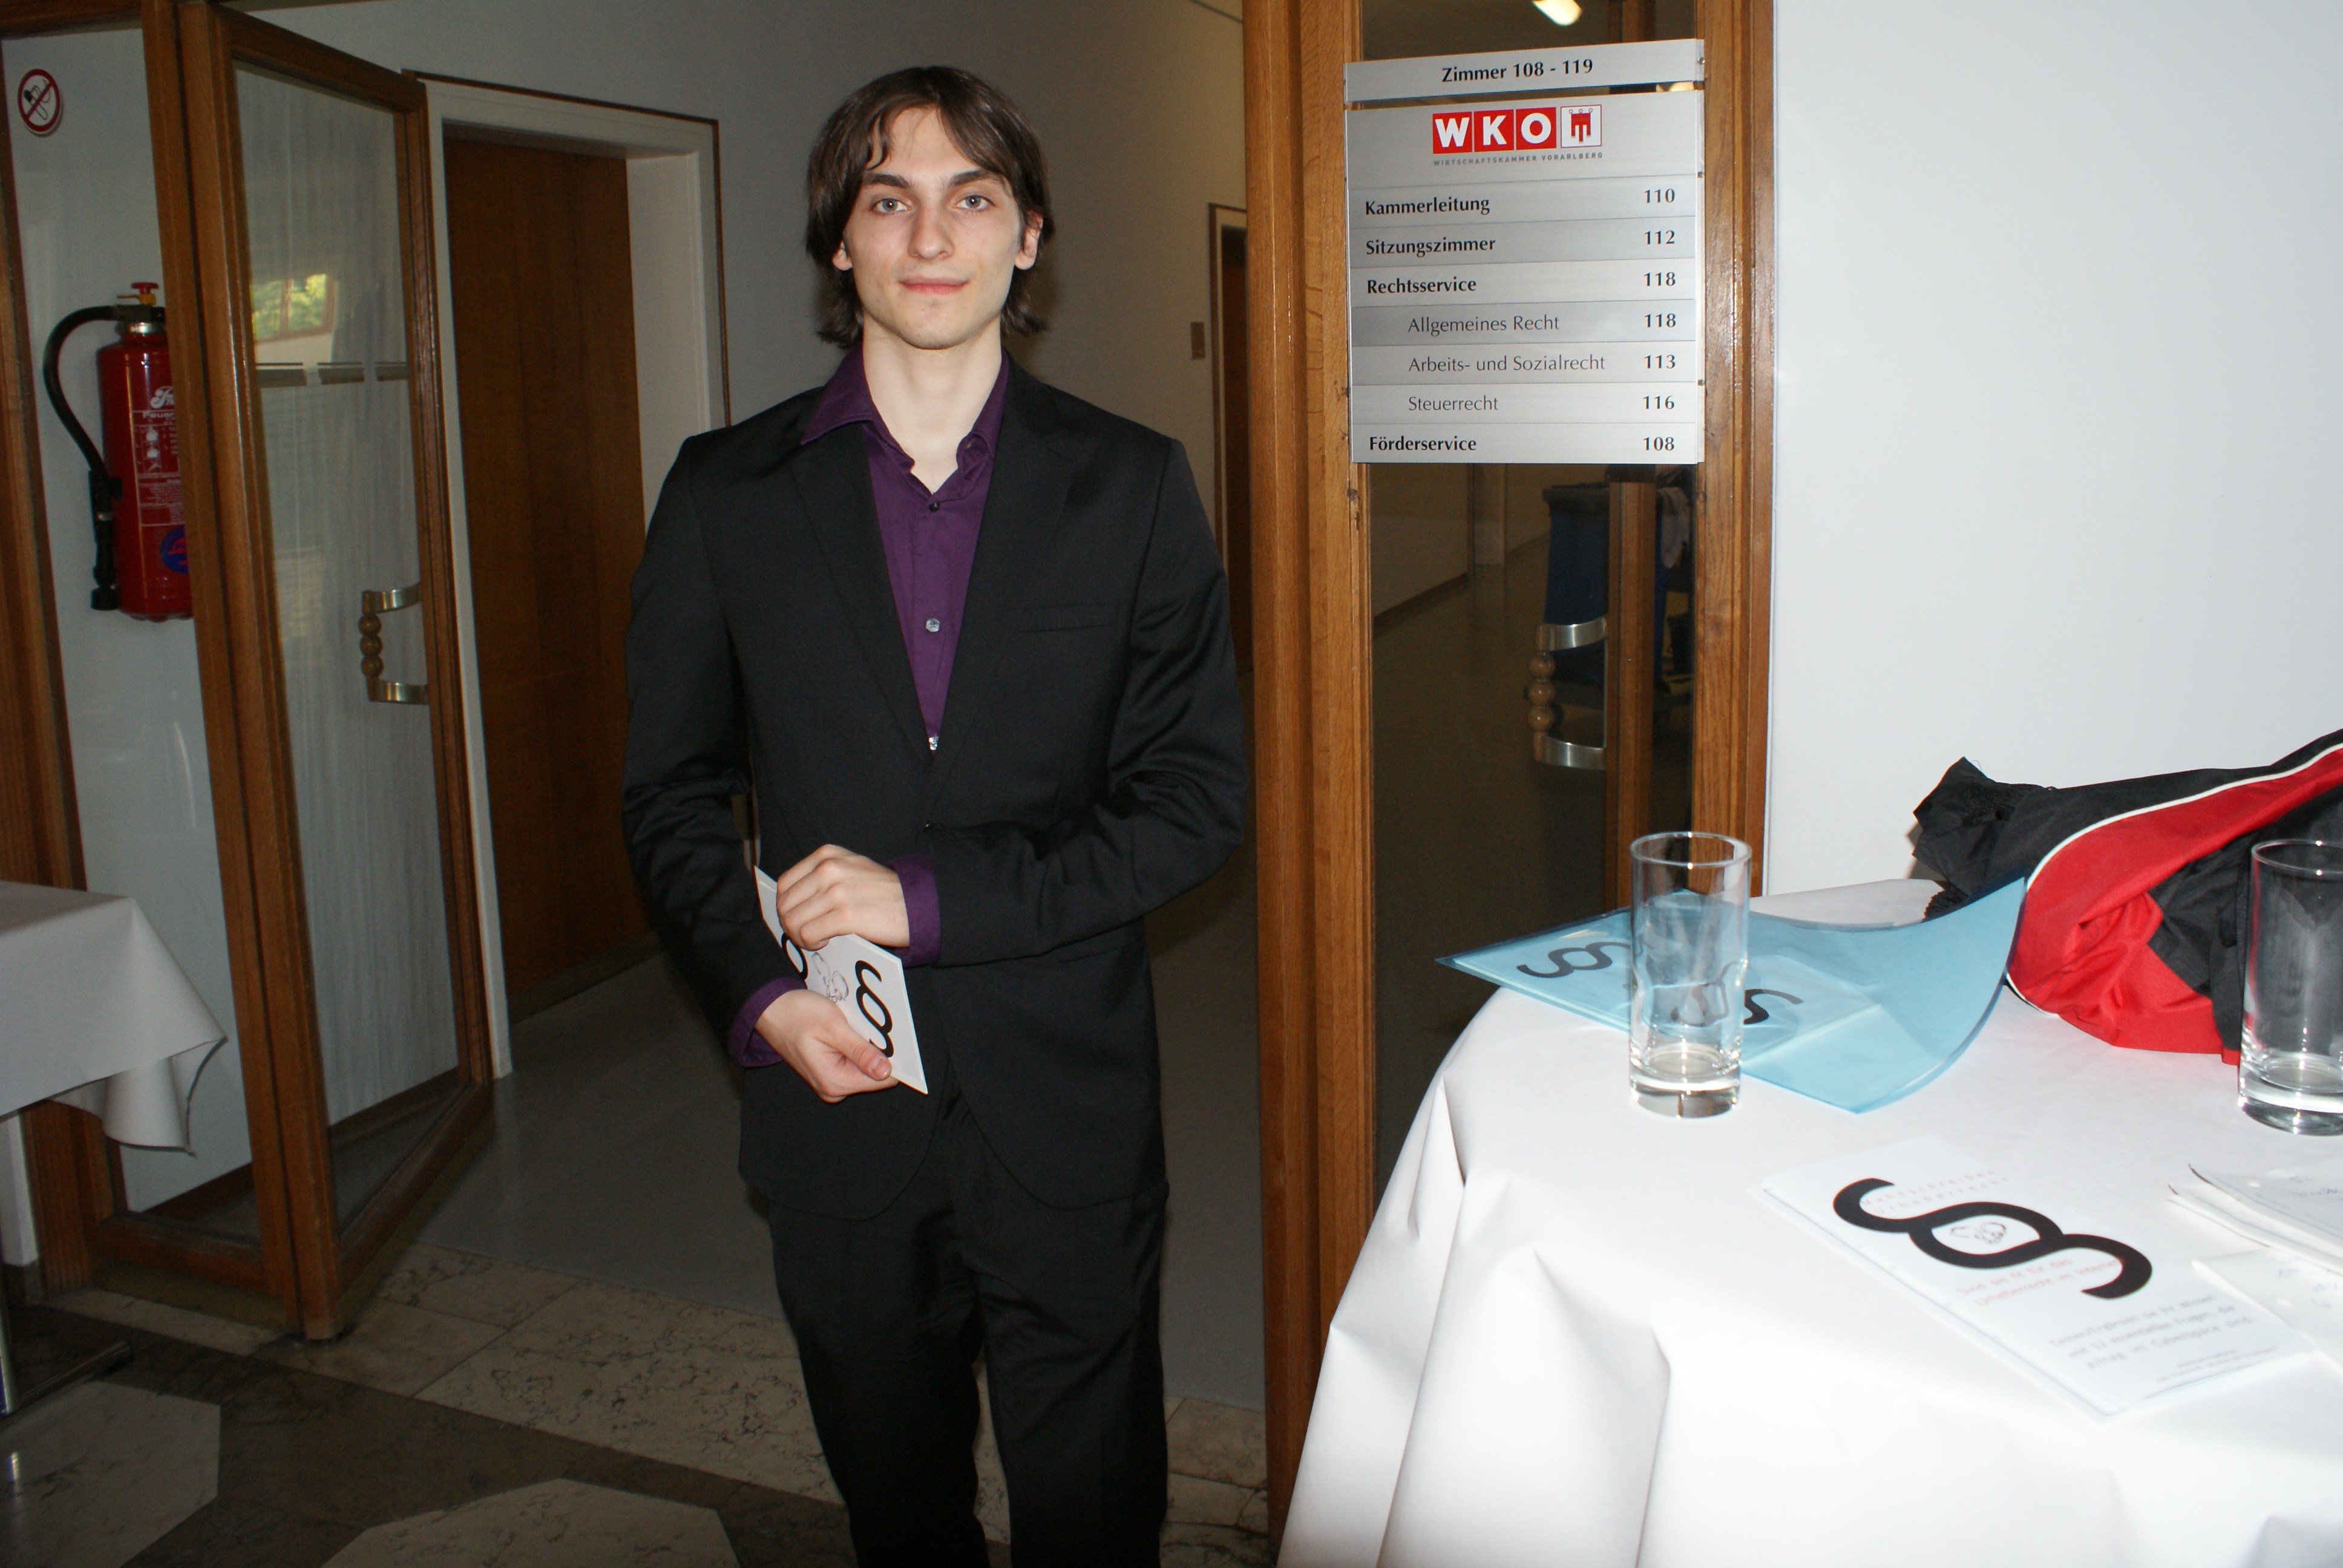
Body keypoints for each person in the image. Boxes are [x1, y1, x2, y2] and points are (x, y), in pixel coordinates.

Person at [621, 65, 1245, 1568]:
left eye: (972, 198)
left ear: (1027, 237)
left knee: (1095, 1513)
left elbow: (1194, 802)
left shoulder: (1131, 488)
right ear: (840, 240)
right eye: (888, 200)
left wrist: (934, 897)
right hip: (834, 1097)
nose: (928, 236)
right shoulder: (726, 495)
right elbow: (669, 794)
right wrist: (762, 999)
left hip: (1066, 1106)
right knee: (897, 1509)